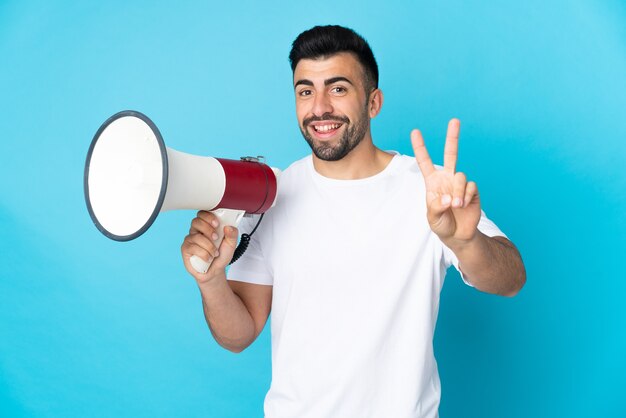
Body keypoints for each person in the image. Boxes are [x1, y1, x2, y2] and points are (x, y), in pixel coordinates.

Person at [180, 25, 526, 418]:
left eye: (338, 88)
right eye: (305, 90)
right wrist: (210, 282)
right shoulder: (272, 196)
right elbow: (238, 335)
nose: (320, 107)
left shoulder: (427, 192)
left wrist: (465, 242)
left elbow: (511, 279)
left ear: (373, 102)